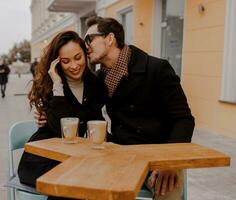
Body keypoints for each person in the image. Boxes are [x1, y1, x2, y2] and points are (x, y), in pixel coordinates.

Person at [36, 16, 195, 200]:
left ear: (110, 39)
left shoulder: (156, 68)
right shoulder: (100, 78)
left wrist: (170, 162)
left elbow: (184, 119)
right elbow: (81, 111)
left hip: (158, 159)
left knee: (169, 190)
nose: (86, 46)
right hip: (120, 156)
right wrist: (46, 114)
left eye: (90, 39)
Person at [17, 31, 107, 199]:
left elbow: (95, 120)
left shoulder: (95, 84)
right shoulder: (51, 85)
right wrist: (58, 86)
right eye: (66, 61)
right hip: (47, 156)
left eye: (78, 57)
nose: (74, 66)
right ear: (57, 63)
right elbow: (61, 130)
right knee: (69, 183)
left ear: (86, 55)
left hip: (79, 154)